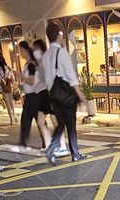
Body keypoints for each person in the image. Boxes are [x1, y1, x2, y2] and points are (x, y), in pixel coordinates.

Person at [43, 21, 87, 165]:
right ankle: (75, 154)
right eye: (62, 34)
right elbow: (72, 78)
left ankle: (51, 149)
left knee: (61, 125)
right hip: (66, 95)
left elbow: (46, 79)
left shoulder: (46, 55)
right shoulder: (61, 53)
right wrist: (81, 96)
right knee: (71, 126)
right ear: (59, 35)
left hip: (54, 96)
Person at [17, 40, 52, 152]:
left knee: (29, 120)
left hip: (34, 96)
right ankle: (44, 142)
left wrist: (20, 76)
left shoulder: (32, 65)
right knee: (34, 120)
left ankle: (27, 143)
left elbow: (32, 81)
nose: (20, 53)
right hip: (31, 95)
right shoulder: (29, 64)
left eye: (21, 50)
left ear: (27, 51)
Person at [0, 53, 17, 124]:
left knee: (7, 103)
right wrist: (10, 71)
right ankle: (14, 115)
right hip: (9, 86)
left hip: (3, 87)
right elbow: (10, 77)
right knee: (12, 102)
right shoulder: (6, 67)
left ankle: (11, 119)